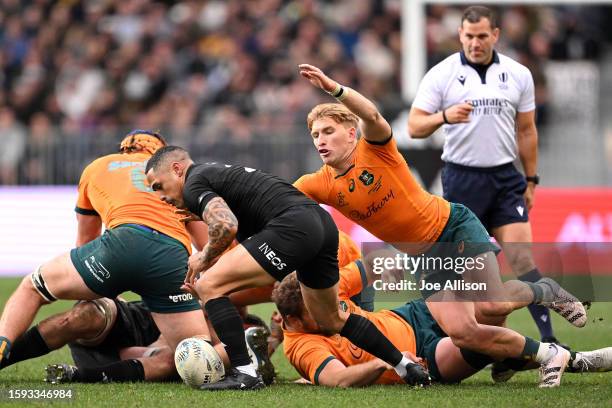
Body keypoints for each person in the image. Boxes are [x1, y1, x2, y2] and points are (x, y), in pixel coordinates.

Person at [293, 63, 586, 387]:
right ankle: (549, 355)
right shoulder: (317, 182)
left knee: (492, 303)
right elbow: (276, 199)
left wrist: (334, 88)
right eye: (315, 134)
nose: (320, 140)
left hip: (452, 228)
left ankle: (545, 290)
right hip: (424, 256)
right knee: (464, 333)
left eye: (328, 131)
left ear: (350, 132)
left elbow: (373, 117)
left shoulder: (374, 147)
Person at [145, 146, 430, 390]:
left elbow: (225, 225)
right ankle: (404, 364)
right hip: (321, 225)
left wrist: (203, 258)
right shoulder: (213, 176)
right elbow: (238, 218)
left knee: (208, 285)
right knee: (331, 319)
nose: (159, 196)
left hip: (293, 227)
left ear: (178, 169)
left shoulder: (195, 182)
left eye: (158, 185)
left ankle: (245, 372)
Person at [407, 5, 562, 350]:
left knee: (523, 260)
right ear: (460, 35)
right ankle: (503, 350)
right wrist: (444, 116)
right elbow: (415, 126)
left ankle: (549, 340)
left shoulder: (518, 74)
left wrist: (531, 180)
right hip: (462, 182)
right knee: (477, 278)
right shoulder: (442, 74)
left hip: (507, 179)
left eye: (481, 36)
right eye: (468, 36)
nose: (475, 43)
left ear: (495, 35)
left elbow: (527, 130)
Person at [0, 130, 211, 382]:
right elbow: (207, 246)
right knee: (196, 354)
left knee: (33, 287)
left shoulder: (98, 166)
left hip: (121, 245)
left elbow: (86, 241)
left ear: (124, 149)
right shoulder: (177, 177)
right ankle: (242, 360)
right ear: (162, 155)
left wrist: (106, 285)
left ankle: (2, 348)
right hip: (172, 257)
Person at [272, 265, 612, 387]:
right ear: (292, 320)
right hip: (425, 359)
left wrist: (389, 266)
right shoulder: (301, 345)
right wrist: (387, 360)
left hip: (413, 314)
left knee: (489, 305)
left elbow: (374, 262)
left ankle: (544, 291)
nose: (327, 310)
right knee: (475, 341)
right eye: (316, 312)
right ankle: (575, 359)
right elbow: (338, 379)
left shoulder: (320, 290)